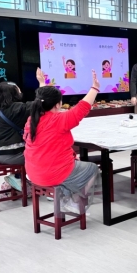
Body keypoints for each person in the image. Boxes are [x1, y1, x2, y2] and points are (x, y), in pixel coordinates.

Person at [23, 70, 102, 214]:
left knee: (73, 163)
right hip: (52, 173)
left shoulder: (32, 120)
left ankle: (64, 194)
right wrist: (95, 88)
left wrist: (42, 83)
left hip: (32, 172)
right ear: (58, 104)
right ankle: (74, 201)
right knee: (92, 168)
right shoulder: (59, 120)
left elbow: (43, 98)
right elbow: (82, 108)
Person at [0, 69, 46, 191]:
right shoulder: (16, 109)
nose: (20, 91)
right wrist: (42, 83)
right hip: (10, 154)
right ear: (13, 93)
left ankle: (16, 180)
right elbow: (40, 104)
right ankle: (32, 181)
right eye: (18, 89)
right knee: (44, 154)